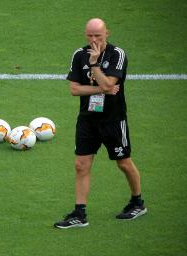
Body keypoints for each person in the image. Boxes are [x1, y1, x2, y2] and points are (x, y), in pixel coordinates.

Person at [54, 18, 147, 229]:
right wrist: (99, 89)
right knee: (81, 165)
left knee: (123, 162)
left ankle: (137, 202)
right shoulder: (79, 55)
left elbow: (108, 83)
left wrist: (95, 65)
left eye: (98, 35)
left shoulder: (117, 55)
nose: (94, 39)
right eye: (90, 35)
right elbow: (75, 89)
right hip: (87, 119)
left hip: (113, 120)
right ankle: (80, 214)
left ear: (107, 33)